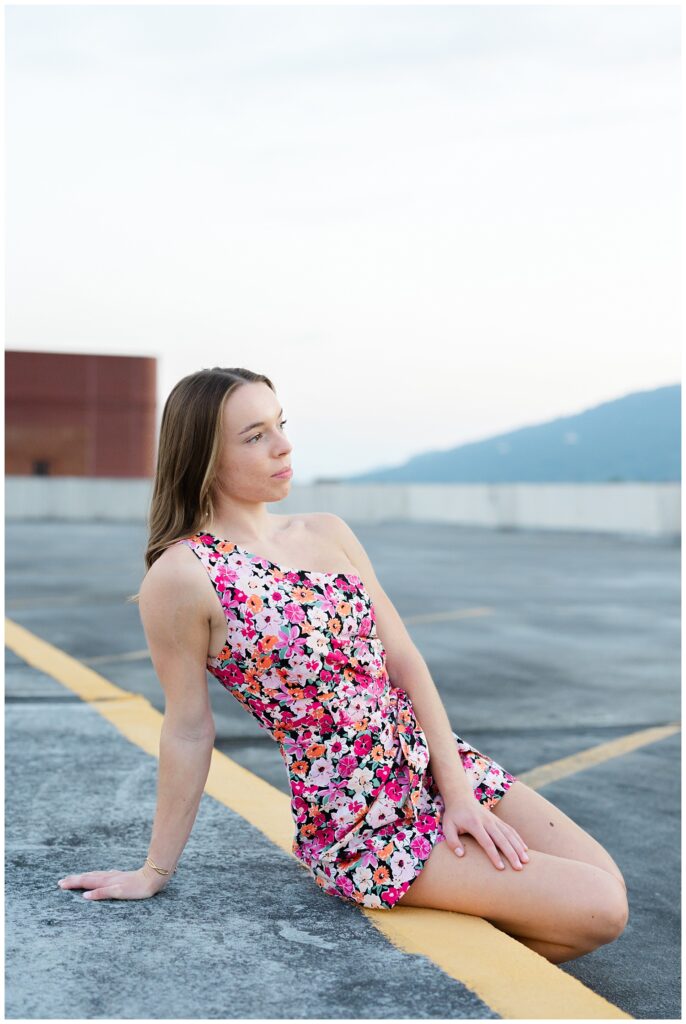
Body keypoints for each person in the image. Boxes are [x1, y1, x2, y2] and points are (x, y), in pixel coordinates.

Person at [57, 367, 629, 964]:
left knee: (604, 884)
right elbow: (188, 727)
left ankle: (438, 962)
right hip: (359, 819)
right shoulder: (182, 576)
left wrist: (457, 791)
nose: (283, 446)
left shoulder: (327, 531)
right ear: (202, 455)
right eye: (254, 436)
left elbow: (404, 659)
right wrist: (155, 869)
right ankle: (431, 978)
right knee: (597, 908)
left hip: (435, 765)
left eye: (280, 425)